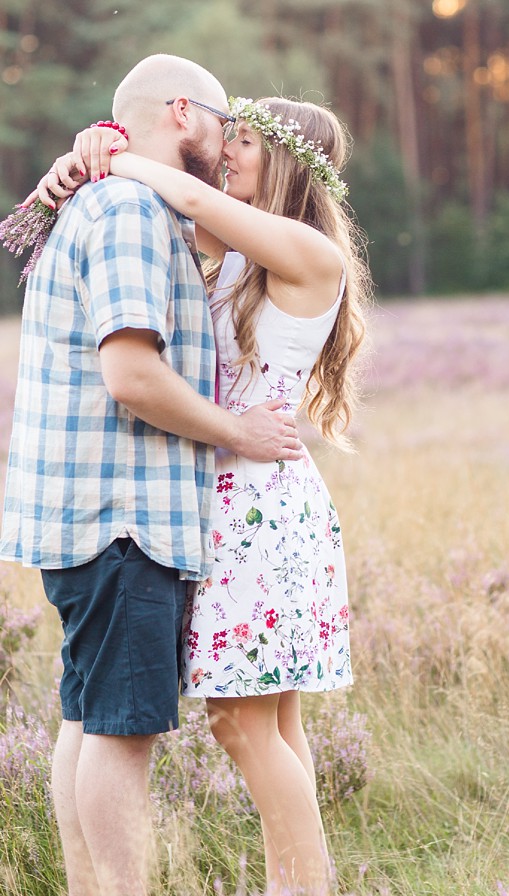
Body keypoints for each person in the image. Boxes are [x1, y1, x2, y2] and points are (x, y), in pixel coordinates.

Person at [39, 90, 371, 896]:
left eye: (247, 143)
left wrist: (114, 156)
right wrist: (87, 151)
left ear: (288, 161)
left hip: (257, 507)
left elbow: (183, 191)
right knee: (275, 726)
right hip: (236, 496)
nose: (229, 153)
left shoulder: (307, 251)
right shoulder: (241, 250)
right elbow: (155, 212)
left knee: (240, 724)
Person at [0, 56, 305, 896]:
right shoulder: (131, 209)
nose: (226, 139)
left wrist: (95, 152)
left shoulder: (118, 200)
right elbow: (132, 376)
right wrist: (238, 430)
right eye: (220, 122)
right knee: (122, 736)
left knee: (88, 719)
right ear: (182, 112)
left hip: (90, 513)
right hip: (122, 515)